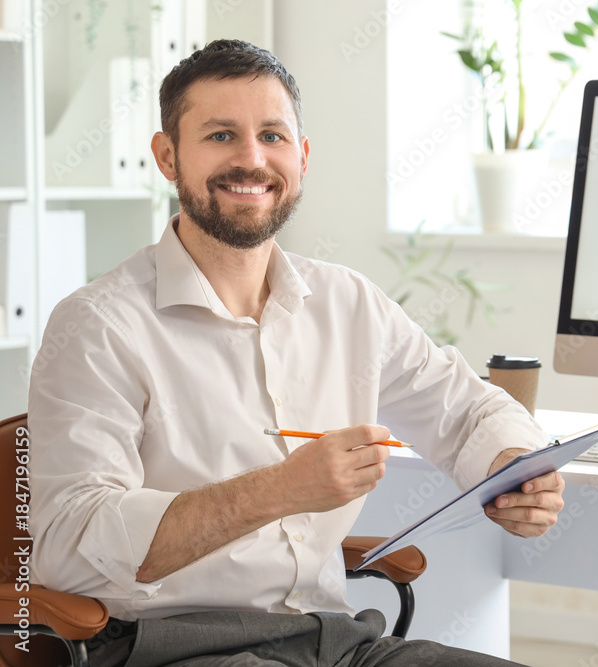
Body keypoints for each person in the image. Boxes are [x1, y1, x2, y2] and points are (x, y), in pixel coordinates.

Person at [28, 39, 564, 666]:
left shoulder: (347, 302)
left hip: (335, 640)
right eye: (221, 135)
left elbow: (467, 409)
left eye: (273, 137)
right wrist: (278, 490)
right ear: (167, 156)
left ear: (302, 157)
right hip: (177, 648)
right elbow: (68, 543)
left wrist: (515, 469)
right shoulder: (98, 326)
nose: (252, 159)